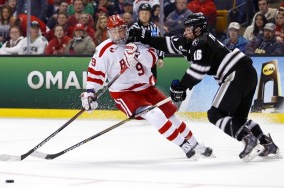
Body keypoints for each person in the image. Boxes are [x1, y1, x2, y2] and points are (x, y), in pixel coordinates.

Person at [128, 12, 281, 162]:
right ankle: (267, 144)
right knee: (237, 120)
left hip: (236, 74)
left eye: (189, 28)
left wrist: (180, 87)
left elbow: (197, 71)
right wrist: (146, 38)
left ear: (199, 29)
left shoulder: (201, 42)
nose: (186, 31)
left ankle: (249, 140)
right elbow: (168, 43)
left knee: (215, 115)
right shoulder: (194, 41)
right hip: (248, 74)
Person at [81, 14, 213, 159]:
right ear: (109, 32)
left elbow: (153, 59)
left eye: (121, 30)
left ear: (126, 28)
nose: (119, 35)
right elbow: (95, 73)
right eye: (115, 31)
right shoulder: (104, 50)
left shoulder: (137, 39)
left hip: (146, 87)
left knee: (172, 116)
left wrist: (137, 54)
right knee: (153, 113)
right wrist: (89, 93)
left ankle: (195, 144)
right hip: (124, 93)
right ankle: (184, 145)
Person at [129, 3, 164, 80]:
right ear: (138, 14)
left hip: (151, 60)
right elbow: (127, 45)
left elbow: (159, 43)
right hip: (137, 62)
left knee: (152, 84)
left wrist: (161, 57)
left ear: (150, 14)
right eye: (142, 13)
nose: (144, 15)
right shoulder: (133, 28)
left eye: (146, 13)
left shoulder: (154, 28)